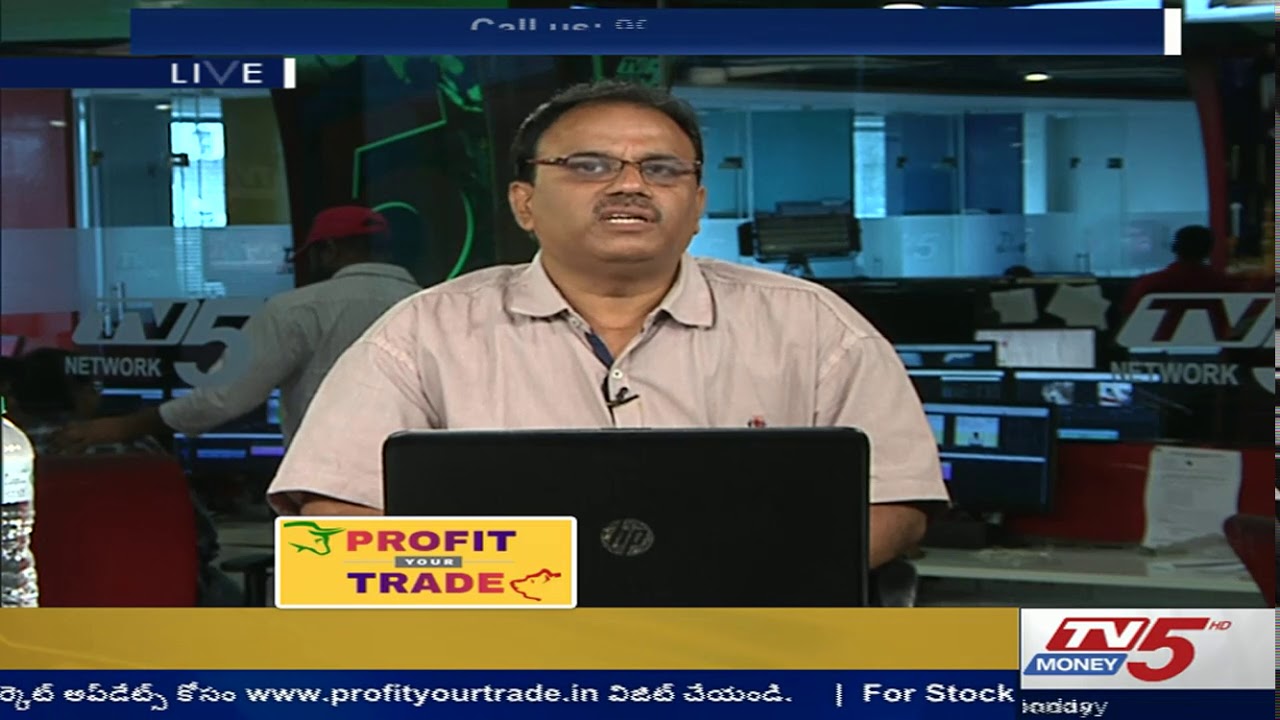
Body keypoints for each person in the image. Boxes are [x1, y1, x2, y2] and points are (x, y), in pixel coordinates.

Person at [267, 81, 949, 569]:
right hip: (502, 662)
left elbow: (894, 503)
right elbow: (334, 517)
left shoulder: (817, 327)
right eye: (588, 166)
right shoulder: (423, 333)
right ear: (524, 203)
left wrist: (736, 580)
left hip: (751, 656)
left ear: (697, 204)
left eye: (662, 168)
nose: (630, 184)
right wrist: (529, 581)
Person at [55, 206, 421, 452]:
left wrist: (123, 427)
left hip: (329, 488)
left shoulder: (296, 309)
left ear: (328, 250)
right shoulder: (432, 305)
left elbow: (222, 398)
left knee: (325, 553)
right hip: (420, 484)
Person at [1119, 225, 1237, 315]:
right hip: (1213, 339)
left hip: (1157, 338)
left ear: (1174, 248)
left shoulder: (1148, 283)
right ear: (1210, 250)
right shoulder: (1225, 284)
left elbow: (1129, 314)